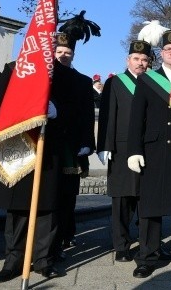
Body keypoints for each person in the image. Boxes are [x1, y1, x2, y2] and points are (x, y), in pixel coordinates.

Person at [0, 48, 77, 281]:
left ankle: (43, 260)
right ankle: (13, 261)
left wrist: (57, 110)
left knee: (47, 209)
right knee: (17, 209)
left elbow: (75, 111)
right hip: (17, 147)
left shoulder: (64, 75)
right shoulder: (12, 69)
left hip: (49, 148)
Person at [127, 9, 171, 278]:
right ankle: (147, 256)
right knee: (151, 209)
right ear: (161, 53)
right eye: (168, 49)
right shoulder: (147, 80)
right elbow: (137, 119)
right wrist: (134, 150)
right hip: (154, 150)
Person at [96, 39, 151, 262]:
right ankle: (121, 245)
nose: (140, 63)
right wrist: (104, 146)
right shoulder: (115, 83)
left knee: (146, 199)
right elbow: (108, 116)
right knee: (122, 200)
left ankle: (148, 243)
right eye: (136, 59)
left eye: (145, 59)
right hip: (121, 150)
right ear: (128, 60)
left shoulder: (154, 82)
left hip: (148, 148)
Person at [50, 32, 95, 260]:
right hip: (48, 146)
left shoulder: (83, 81)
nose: (63, 56)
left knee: (68, 196)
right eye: (59, 52)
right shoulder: (45, 77)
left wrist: (88, 142)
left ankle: (67, 233)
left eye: (67, 52)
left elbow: (87, 115)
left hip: (73, 146)